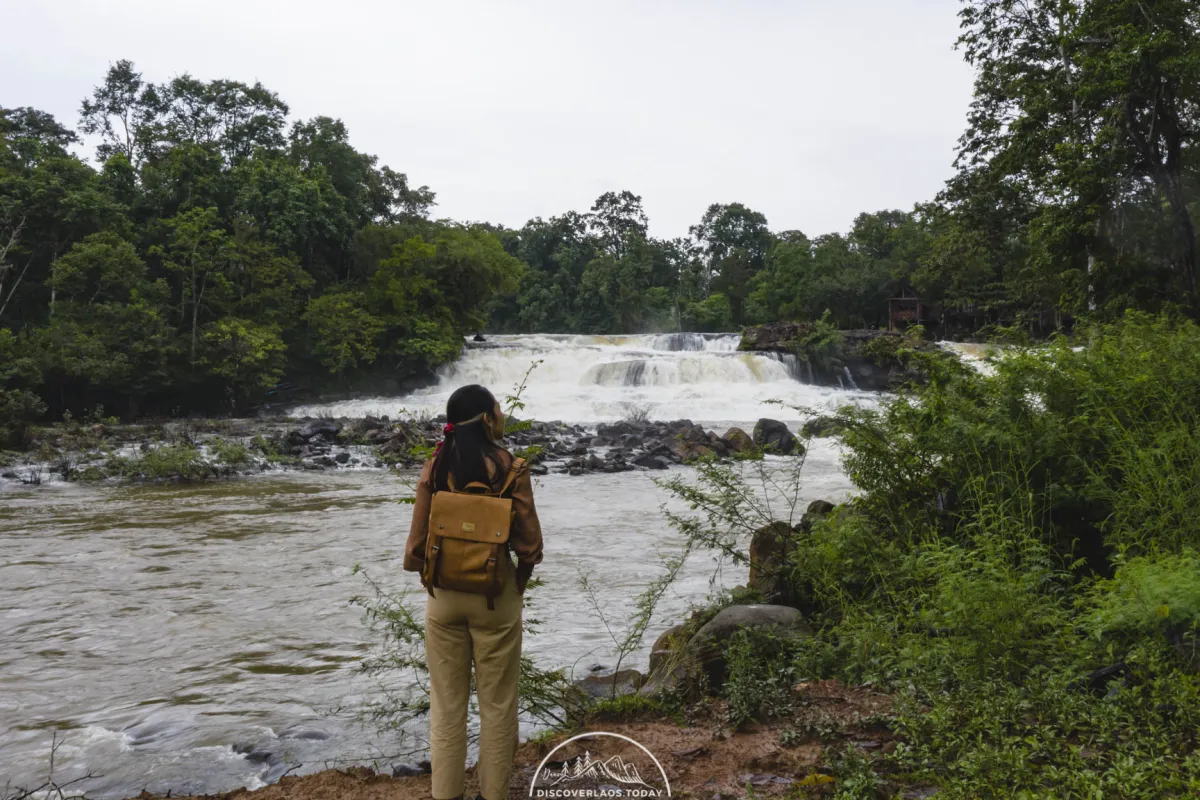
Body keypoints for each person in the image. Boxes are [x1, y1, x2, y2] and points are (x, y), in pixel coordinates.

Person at [404, 384, 544, 800]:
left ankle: (446, 795)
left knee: (447, 707)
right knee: (497, 706)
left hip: (443, 599)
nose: (502, 413)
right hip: (495, 598)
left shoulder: (436, 464)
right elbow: (530, 547)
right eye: (498, 408)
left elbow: (414, 549)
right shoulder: (512, 468)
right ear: (486, 418)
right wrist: (517, 585)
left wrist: (433, 580)